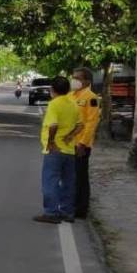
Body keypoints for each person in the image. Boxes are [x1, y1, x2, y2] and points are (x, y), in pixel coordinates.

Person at [34, 76, 83, 224]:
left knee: (50, 181)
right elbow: (81, 125)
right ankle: (67, 212)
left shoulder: (54, 104)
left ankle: (51, 213)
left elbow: (53, 125)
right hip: (69, 150)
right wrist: (70, 136)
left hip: (55, 150)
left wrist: (50, 142)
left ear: (52, 90)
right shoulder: (74, 103)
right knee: (68, 182)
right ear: (68, 89)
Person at [71, 67, 100, 219]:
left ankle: (81, 209)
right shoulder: (71, 95)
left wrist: (82, 143)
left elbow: (91, 123)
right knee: (71, 176)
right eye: (73, 77)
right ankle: (71, 205)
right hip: (69, 144)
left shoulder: (91, 97)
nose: (75, 80)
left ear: (87, 81)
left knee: (80, 177)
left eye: (78, 78)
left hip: (81, 145)